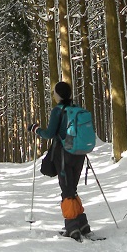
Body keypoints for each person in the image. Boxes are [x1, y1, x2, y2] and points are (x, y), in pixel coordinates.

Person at [30, 80, 92, 240]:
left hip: (63, 154)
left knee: (66, 190)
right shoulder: (77, 109)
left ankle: (72, 228)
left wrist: (36, 129)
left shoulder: (58, 111)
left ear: (57, 95)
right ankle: (82, 225)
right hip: (79, 154)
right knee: (72, 189)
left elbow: (50, 133)